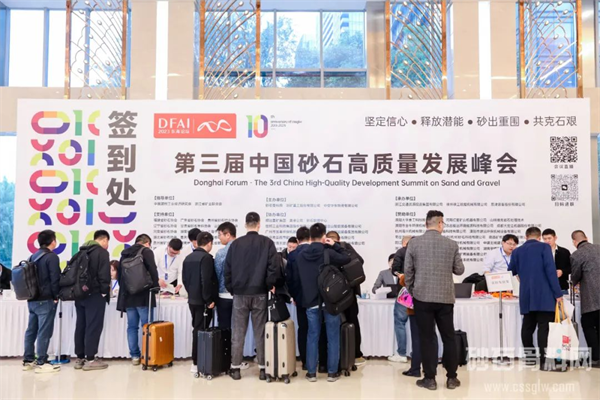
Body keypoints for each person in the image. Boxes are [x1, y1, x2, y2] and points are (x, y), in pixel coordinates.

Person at [404, 210, 465, 390]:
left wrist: (413, 290)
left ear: (426, 224)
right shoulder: (451, 244)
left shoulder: (414, 243)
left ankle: (430, 379)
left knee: (427, 338)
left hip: (422, 297)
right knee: (449, 337)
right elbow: (459, 270)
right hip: (445, 298)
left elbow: (408, 271)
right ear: (440, 223)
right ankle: (452, 378)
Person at [224, 212, 283, 381]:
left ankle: (235, 369)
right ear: (259, 224)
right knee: (261, 332)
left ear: (245, 225)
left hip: (240, 294)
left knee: (238, 332)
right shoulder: (267, 243)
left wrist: (232, 289)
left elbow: (227, 270)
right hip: (260, 293)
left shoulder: (235, 245)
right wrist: (268, 285)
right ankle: (263, 369)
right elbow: (273, 268)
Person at [297, 223, 351, 383]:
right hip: (329, 301)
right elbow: (347, 258)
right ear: (323, 236)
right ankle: (332, 373)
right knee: (332, 337)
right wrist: (335, 245)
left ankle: (311, 373)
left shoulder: (301, 255)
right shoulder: (328, 252)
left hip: (310, 301)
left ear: (310, 237)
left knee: (312, 336)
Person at [509, 227, 564, 372]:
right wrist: (557, 293)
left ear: (526, 237)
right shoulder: (544, 248)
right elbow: (550, 271)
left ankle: (530, 358)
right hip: (544, 295)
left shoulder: (517, 251)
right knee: (543, 327)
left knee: (527, 326)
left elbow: (512, 270)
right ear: (539, 237)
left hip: (526, 295)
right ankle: (545, 362)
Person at [22, 230, 62, 373]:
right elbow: (55, 279)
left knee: (31, 330)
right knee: (44, 331)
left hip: (32, 299)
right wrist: (56, 296)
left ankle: (28, 360)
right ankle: (42, 361)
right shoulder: (52, 257)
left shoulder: (32, 256)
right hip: (45, 299)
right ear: (52, 241)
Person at [117, 234, 160, 365]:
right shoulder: (146, 252)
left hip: (129, 296)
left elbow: (120, 275)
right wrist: (156, 286)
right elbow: (153, 269)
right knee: (147, 327)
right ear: (147, 243)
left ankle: (135, 356)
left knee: (132, 327)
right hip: (144, 295)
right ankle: (148, 355)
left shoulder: (124, 254)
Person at [325, 230, 366, 366]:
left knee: (336, 323)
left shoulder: (334, 248)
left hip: (336, 294)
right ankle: (355, 355)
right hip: (347, 293)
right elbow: (360, 260)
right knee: (352, 322)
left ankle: (342, 355)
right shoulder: (344, 247)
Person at [214, 222, 250, 371]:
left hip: (223, 296)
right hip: (241, 295)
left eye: (220, 235)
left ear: (228, 234)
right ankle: (237, 361)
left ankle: (224, 361)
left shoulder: (221, 253)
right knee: (238, 330)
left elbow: (217, 275)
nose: (219, 238)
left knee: (224, 329)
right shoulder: (245, 251)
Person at [74, 230, 111, 371]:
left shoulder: (81, 251)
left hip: (80, 294)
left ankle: (80, 358)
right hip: (95, 294)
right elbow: (104, 275)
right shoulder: (102, 253)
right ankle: (90, 359)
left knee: (81, 325)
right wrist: (104, 291)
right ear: (104, 240)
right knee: (93, 325)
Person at [182, 231, 218, 374]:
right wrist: (208, 300)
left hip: (193, 299)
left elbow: (185, 280)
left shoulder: (188, 258)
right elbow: (206, 280)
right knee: (201, 330)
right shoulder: (206, 258)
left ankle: (197, 361)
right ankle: (197, 361)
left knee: (196, 328)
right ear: (209, 243)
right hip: (203, 301)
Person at [570, 230, 600, 368]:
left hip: (591, 297)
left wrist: (573, 282)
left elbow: (575, 276)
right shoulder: (598, 248)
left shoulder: (577, 255)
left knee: (588, 324)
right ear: (586, 238)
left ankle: (595, 358)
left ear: (574, 242)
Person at [286, 226, 310, 370]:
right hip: (316, 298)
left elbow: (290, 279)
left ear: (297, 239)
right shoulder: (317, 252)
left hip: (300, 297)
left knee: (303, 328)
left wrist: (293, 295)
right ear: (310, 238)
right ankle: (320, 362)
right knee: (317, 328)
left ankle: (305, 361)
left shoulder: (292, 255)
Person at [542, 229, 572, 295]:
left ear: (555, 238)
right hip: (545, 287)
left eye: (549, 238)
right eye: (545, 239)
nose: (547, 241)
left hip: (561, 287)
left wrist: (562, 271)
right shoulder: (540, 253)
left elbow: (571, 267)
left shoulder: (564, 252)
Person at [178, 228, 201, 298]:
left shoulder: (207, 247)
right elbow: (181, 269)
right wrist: (180, 283)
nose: (197, 244)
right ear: (190, 240)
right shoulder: (184, 251)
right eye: (195, 242)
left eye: (198, 241)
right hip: (189, 280)